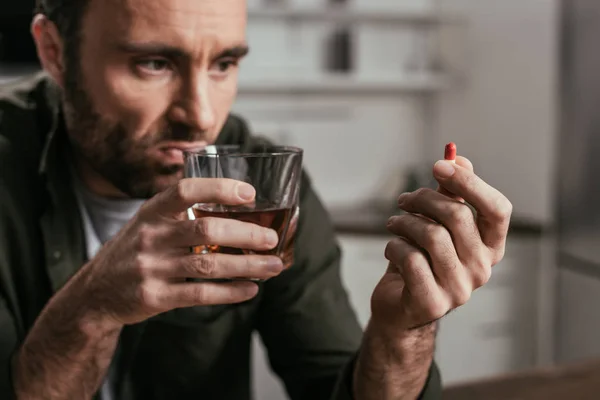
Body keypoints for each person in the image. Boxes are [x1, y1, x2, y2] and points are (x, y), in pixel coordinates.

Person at [0, 0, 513, 399]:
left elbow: (328, 386)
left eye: (224, 63)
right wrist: (93, 305)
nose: (200, 116)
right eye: (154, 63)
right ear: (55, 52)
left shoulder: (270, 189)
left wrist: (402, 335)